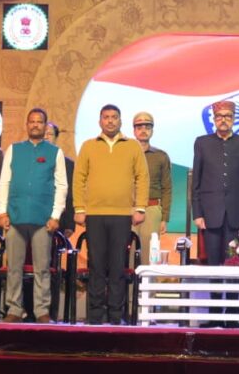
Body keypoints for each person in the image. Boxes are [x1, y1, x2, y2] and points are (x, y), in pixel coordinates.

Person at [73, 104, 149, 325]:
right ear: (100, 121)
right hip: (95, 215)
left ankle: (116, 316)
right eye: (106, 117)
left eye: (114, 117)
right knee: (96, 266)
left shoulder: (132, 146)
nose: (110, 121)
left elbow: (142, 177)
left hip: (122, 215)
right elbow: (79, 178)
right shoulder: (88, 146)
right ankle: (95, 316)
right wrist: (79, 208)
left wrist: (140, 207)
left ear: (120, 121)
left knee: (117, 267)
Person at [0, 108, 66, 323]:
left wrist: (55, 215)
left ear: (45, 126)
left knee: (42, 268)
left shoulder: (55, 152)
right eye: (32, 121)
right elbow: (4, 182)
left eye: (39, 122)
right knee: (14, 268)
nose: (35, 125)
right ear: (27, 125)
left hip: (42, 219)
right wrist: (2, 212)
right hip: (15, 217)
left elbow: (62, 186)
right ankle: (14, 309)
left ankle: (42, 310)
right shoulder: (14, 149)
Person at [192, 100, 239, 265]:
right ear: (214, 119)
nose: (223, 120)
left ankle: (232, 285)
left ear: (234, 119)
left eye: (228, 116)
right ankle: (214, 285)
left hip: (237, 214)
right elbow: (196, 182)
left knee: (234, 262)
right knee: (212, 264)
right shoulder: (202, 143)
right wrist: (197, 213)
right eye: (219, 116)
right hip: (210, 213)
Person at [131, 112, 173, 252]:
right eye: (139, 127)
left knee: (149, 253)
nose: (143, 130)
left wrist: (164, 218)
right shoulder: (125, 154)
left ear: (152, 131)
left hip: (152, 208)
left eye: (147, 127)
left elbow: (166, 188)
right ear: (134, 131)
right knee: (127, 253)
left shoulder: (161, 156)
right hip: (128, 209)